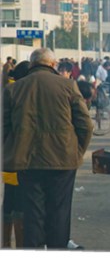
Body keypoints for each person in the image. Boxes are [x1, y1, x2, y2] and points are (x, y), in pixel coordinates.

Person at [3, 48, 93, 249]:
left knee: (32, 214)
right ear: (53, 65)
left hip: (26, 161)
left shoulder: (13, 89)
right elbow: (86, 125)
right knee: (59, 213)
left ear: (32, 64)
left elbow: (4, 128)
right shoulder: (68, 86)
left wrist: (10, 153)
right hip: (63, 161)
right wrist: (77, 152)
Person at [2, 61, 29, 249]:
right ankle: (18, 247)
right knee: (19, 203)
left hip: (9, 158)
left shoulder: (9, 90)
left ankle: (5, 244)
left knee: (10, 200)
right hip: (21, 158)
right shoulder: (19, 94)